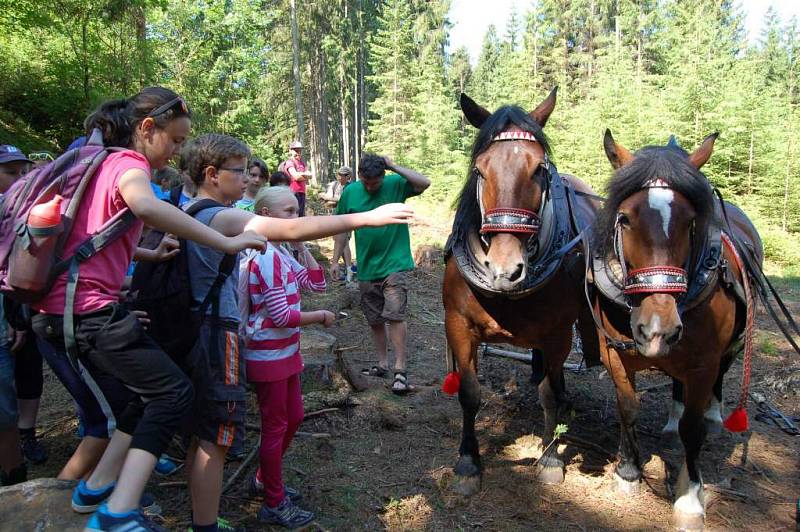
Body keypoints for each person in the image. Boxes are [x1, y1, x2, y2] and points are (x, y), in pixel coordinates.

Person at [29, 87, 269, 532]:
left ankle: (94, 489)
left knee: (144, 398)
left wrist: (145, 257)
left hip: (59, 310)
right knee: (174, 394)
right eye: (175, 140)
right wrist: (226, 241)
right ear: (146, 129)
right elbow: (145, 206)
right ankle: (118, 512)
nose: (177, 151)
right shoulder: (128, 163)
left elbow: (87, 238)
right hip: (89, 312)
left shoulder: (93, 164)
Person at [173, 134, 413, 532]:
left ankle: (265, 485)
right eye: (239, 172)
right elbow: (285, 305)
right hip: (241, 342)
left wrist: (305, 256)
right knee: (235, 434)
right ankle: (263, 501)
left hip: (270, 347)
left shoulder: (217, 220)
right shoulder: (219, 217)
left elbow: (311, 280)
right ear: (212, 175)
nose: (245, 181)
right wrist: (367, 218)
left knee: (288, 418)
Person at [239, 186, 331, 528]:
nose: (297, 217)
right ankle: (273, 501)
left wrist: (301, 244)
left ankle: (265, 479)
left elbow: (317, 284)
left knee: (294, 418)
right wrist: (320, 317)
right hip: (268, 354)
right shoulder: (265, 255)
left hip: (286, 351)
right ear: (265, 216)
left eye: (297, 211)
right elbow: (281, 316)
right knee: (276, 427)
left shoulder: (281, 251)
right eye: (289, 212)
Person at [336, 153, 430, 394]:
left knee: (395, 315)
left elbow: (424, 182)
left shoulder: (394, 184)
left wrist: (393, 165)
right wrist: (336, 260)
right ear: (359, 176)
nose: (369, 187)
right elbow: (341, 229)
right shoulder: (350, 191)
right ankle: (382, 364)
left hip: (394, 264)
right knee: (375, 319)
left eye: (374, 183)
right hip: (366, 267)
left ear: (383, 176)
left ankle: (401, 370)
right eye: (365, 182)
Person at [0, 144, 32, 487]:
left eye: (23, 172)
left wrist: (15, 319)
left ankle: (13, 479)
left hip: (9, 325)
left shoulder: (21, 213)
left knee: (5, 409)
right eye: (10, 173)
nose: (20, 180)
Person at [321, 166, 355, 282]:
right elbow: (332, 200)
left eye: (343, 175)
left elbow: (343, 200)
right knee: (339, 243)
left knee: (344, 243)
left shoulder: (350, 187)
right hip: (336, 217)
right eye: (339, 174)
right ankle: (348, 269)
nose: (340, 177)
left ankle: (349, 269)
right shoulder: (336, 185)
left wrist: (331, 199)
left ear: (348, 176)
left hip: (346, 218)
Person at [281, 141, 312, 216]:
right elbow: (296, 177)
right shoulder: (289, 162)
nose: (298, 153)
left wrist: (302, 175)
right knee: (294, 214)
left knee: (301, 214)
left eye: (299, 150)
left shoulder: (302, 163)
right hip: (293, 193)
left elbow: (310, 176)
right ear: (290, 151)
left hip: (302, 193)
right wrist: (304, 175)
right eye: (296, 150)